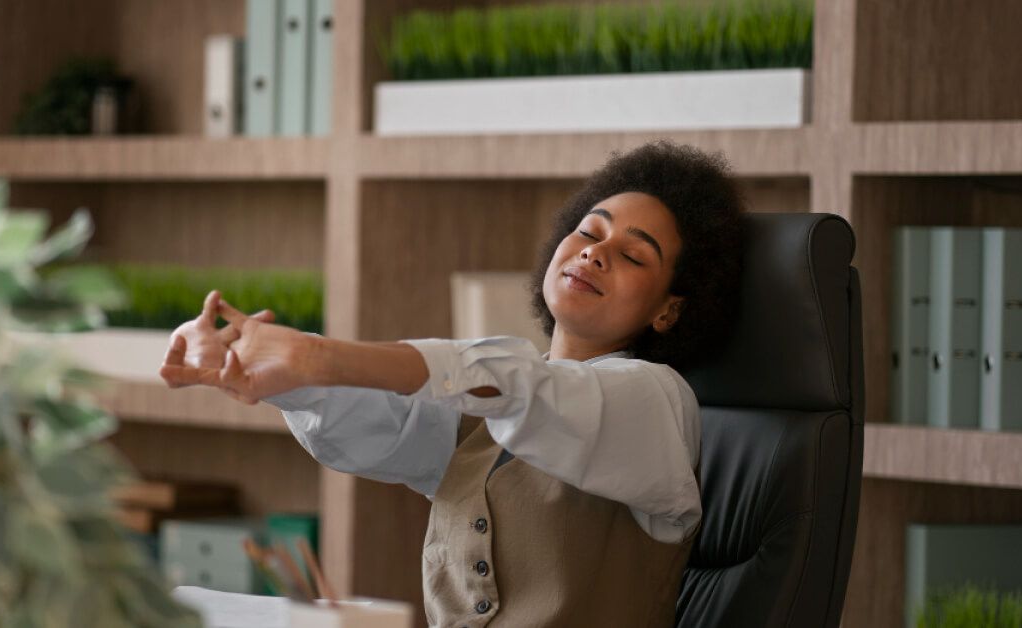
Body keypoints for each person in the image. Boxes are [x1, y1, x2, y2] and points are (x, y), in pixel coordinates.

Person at [159, 140, 747, 627]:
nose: (595, 254)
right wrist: (267, 372)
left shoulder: (656, 403)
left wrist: (317, 355)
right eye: (591, 232)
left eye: (634, 256)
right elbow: (374, 425)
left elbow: (519, 384)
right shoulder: (479, 419)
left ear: (669, 310)